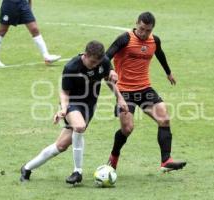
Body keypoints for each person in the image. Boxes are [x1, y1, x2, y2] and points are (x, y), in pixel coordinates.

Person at [20, 40, 128, 184]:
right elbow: (64, 92)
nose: (95, 65)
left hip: (89, 106)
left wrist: (119, 98)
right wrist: (63, 109)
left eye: (98, 62)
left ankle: (27, 168)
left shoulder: (103, 62)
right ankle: (78, 172)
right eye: (92, 62)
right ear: (85, 55)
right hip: (72, 102)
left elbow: (109, 80)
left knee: (61, 146)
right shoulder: (72, 67)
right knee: (79, 126)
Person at [106, 12, 186, 172]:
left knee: (164, 119)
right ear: (136, 24)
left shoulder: (154, 40)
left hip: (144, 89)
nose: (144, 33)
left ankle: (166, 160)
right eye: (141, 29)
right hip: (125, 91)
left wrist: (168, 72)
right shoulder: (125, 39)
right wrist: (111, 71)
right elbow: (106, 57)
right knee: (127, 129)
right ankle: (114, 156)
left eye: (148, 30)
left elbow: (159, 54)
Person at [0, 0, 61, 67]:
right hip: (9, 4)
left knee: (34, 29)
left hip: (23, 4)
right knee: (2, 31)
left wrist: (29, 4)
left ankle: (46, 56)